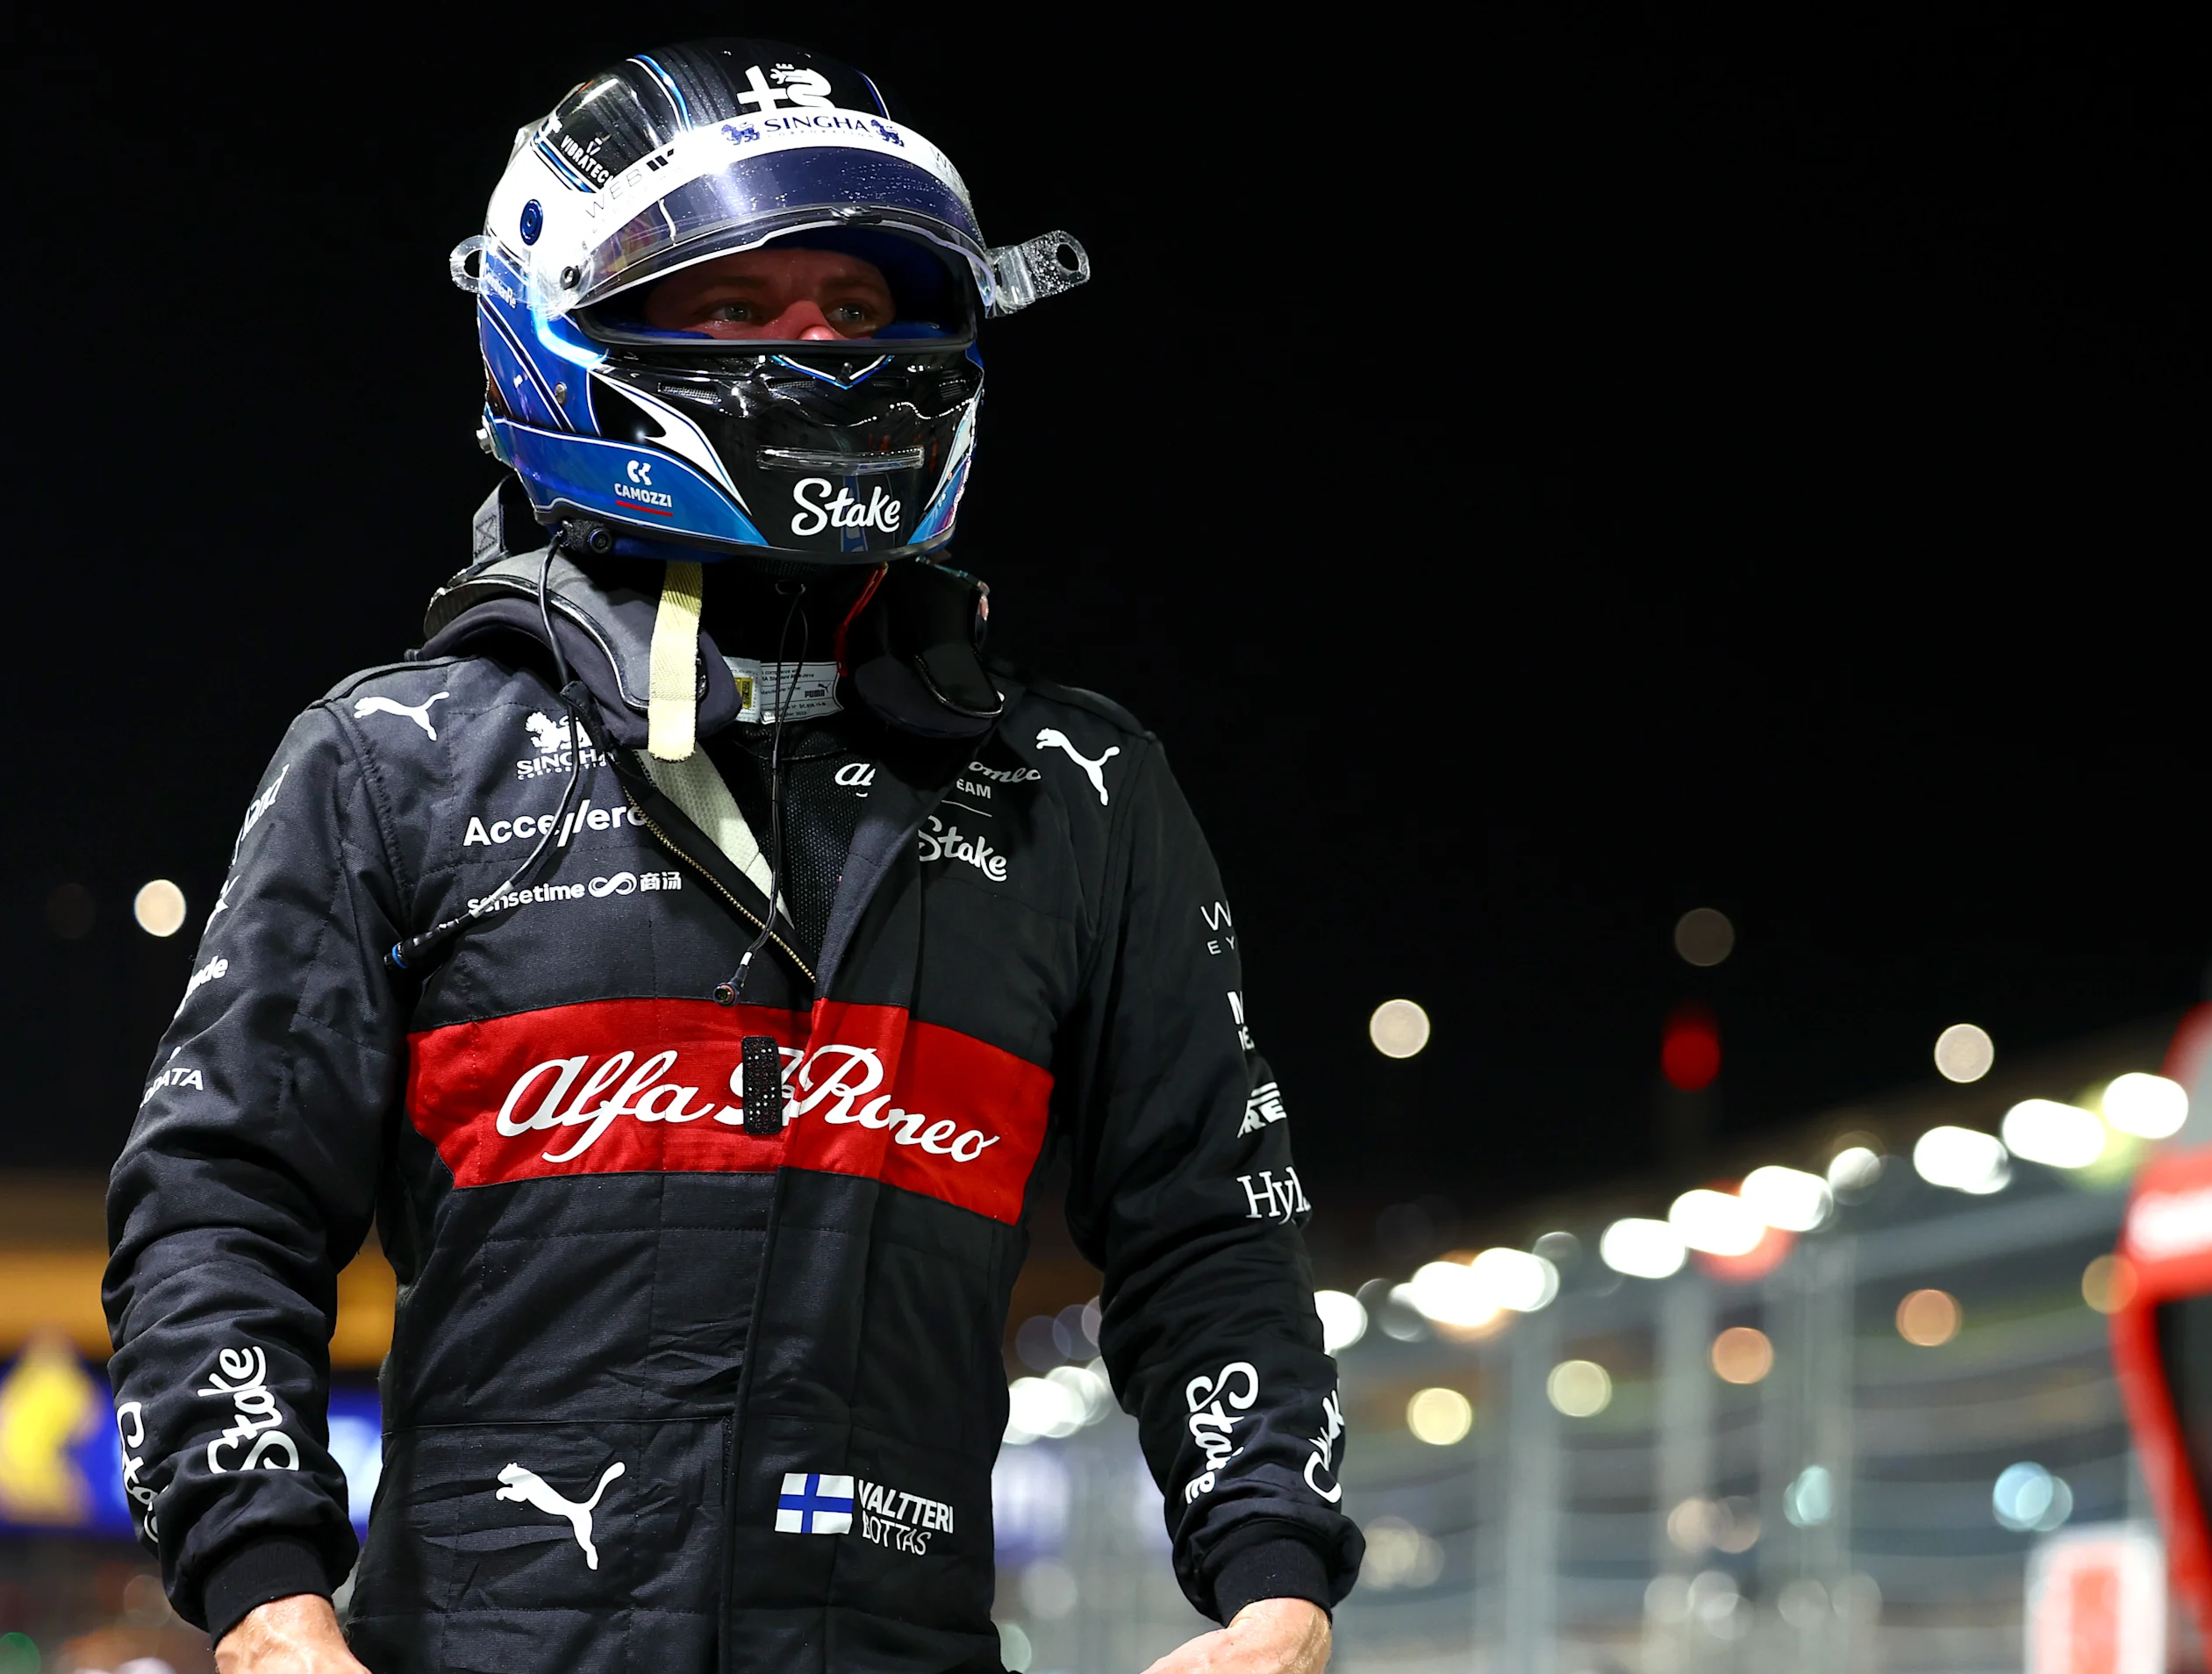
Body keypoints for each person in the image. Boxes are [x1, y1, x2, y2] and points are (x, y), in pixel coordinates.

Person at [103, 38, 1355, 1674]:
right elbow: (216, 1208)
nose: (817, 354)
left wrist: (1278, 1591)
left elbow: (1214, 1228)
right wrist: (265, 1599)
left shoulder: (1078, 786)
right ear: (563, 328)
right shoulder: (392, 759)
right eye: (739, 309)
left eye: (855, 309)